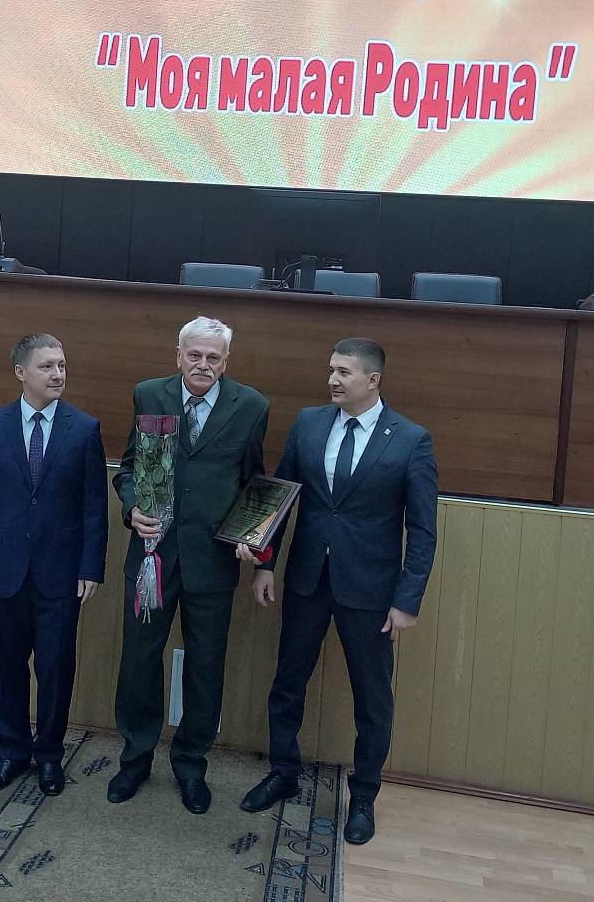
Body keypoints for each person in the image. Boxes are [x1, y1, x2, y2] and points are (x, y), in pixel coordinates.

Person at [238, 337, 437, 845]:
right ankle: (284, 772)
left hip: (371, 592)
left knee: (372, 698)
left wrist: (407, 600)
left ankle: (364, 796)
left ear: (373, 380)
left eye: (344, 372)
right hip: (307, 579)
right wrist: (264, 563)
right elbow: (280, 496)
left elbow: (422, 530)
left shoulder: (410, 440)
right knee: (288, 682)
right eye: (331, 369)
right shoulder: (309, 423)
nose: (332, 379)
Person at [109, 316, 268, 814]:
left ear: (226, 361)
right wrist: (131, 508)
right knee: (139, 661)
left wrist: (253, 540)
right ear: (178, 355)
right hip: (152, 556)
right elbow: (130, 467)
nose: (203, 365)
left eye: (213, 357)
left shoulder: (252, 406)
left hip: (213, 562)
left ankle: (191, 764)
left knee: (205, 666)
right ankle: (134, 759)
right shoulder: (149, 394)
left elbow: (254, 483)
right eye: (194, 355)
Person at [0, 334, 108, 796]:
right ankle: (12, 752)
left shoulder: (84, 429)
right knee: (6, 666)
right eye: (47, 366)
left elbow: (94, 509)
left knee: (56, 668)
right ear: (21, 372)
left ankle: (49, 755)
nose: (57, 374)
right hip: (1, 568)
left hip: (61, 572)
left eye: (62, 365)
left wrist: (91, 568)